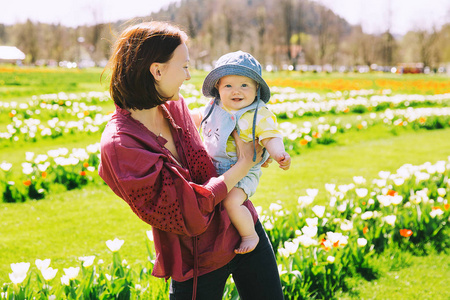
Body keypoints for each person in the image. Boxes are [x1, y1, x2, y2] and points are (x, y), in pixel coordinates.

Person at [98, 21, 284, 300]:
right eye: (184, 66)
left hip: (242, 228)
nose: (188, 77)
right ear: (157, 70)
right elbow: (191, 214)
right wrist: (243, 164)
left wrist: (251, 150)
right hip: (198, 260)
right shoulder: (121, 145)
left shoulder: (176, 108)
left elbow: (213, 153)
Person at [197, 51, 291, 254]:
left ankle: (250, 234)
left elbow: (271, 136)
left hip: (244, 173)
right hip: (215, 168)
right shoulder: (214, 107)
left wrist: (278, 154)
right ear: (218, 87)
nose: (236, 91)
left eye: (244, 85)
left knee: (231, 202)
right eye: (228, 85)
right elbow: (197, 118)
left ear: (257, 88)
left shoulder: (259, 113)